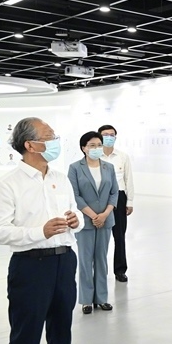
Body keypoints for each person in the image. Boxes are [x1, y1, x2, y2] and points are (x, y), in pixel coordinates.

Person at [0, 117, 97, 344]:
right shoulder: (7, 184)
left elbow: (73, 218)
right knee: (25, 339)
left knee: (61, 332)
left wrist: (75, 221)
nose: (55, 141)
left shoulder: (60, 179)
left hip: (64, 261)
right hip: (30, 267)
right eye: (49, 136)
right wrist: (40, 231)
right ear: (30, 144)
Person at [68, 132, 119, 315]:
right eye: (92, 145)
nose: (96, 148)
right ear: (84, 148)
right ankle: (86, 300)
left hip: (105, 220)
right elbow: (75, 195)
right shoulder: (75, 168)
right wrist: (93, 215)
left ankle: (102, 298)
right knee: (85, 260)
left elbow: (114, 192)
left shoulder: (109, 167)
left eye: (99, 145)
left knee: (101, 260)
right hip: (85, 221)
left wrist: (104, 214)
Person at [98, 125, 134, 283]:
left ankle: (120, 270)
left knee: (119, 235)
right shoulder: (95, 156)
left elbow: (128, 179)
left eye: (112, 135)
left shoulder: (123, 156)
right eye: (105, 135)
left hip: (119, 197)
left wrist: (130, 201)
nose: (109, 137)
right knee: (100, 237)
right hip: (99, 197)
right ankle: (100, 270)